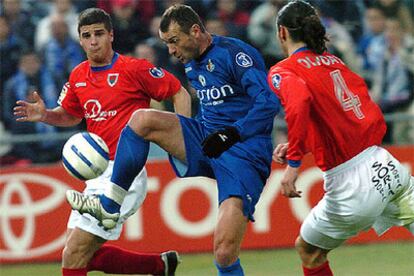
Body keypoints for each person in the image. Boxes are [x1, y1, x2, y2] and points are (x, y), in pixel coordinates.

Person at [65, 4, 281, 275]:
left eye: (174, 41)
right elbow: (206, 105)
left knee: (224, 252)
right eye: (166, 43)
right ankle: (109, 206)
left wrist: (233, 132)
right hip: (208, 140)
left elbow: (268, 102)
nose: (170, 50)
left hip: (243, 152)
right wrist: (186, 131)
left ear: (195, 31)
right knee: (142, 119)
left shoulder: (235, 54)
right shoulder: (190, 60)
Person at [13, 8, 188, 276]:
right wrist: (45, 114)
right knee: (82, 254)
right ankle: (159, 266)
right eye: (86, 35)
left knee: (73, 254)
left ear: (111, 35)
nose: (93, 41)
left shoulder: (134, 68)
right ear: (80, 40)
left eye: (98, 34)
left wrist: (183, 136)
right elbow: (71, 116)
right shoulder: (78, 75)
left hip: (123, 174)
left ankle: (159, 266)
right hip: (95, 174)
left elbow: (178, 91)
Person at [267, 1, 414, 276]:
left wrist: (294, 163)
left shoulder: (283, 70)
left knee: (309, 251)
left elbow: (298, 103)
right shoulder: (334, 62)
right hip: (386, 167)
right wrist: (306, 143)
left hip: (352, 183)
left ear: (282, 33)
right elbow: (352, 117)